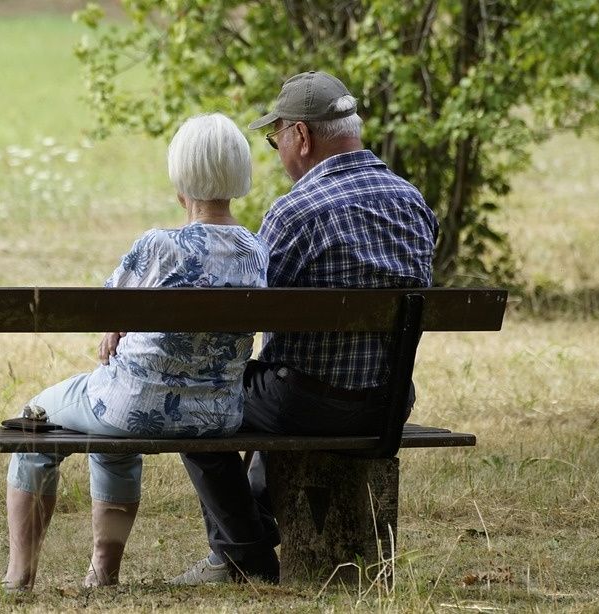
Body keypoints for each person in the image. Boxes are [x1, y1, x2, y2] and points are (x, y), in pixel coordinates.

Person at [171, 71, 439, 585]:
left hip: (307, 405)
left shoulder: (295, 212)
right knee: (277, 383)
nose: (278, 152)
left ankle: (243, 554)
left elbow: (248, 316)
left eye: (276, 141)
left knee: (194, 399)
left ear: (301, 136)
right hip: (387, 404)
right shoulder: (413, 203)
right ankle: (253, 528)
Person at [2, 113, 269, 591]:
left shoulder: (159, 246)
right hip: (216, 414)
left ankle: (19, 575)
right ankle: (103, 573)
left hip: (133, 406)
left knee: (34, 420)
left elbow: (105, 306)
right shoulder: (256, 250)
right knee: (110, 433)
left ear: (180, 177)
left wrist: (115, 326)